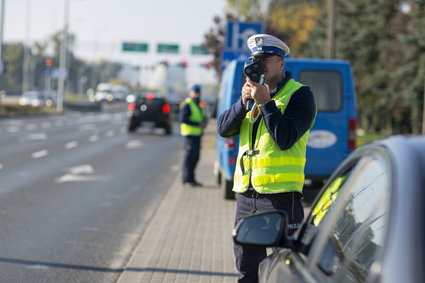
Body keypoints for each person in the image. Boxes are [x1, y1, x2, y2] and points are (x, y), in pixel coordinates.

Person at [217, 34, 317, 282]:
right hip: (246, 197)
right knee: (246, 268)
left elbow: (285, 138)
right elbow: (223, 129)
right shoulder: (249, 97)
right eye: (254, 59)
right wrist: (243, 102)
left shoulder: (301, 96)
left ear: (281, 64)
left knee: (286, 268)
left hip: (280, 198)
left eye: (265, 60)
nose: (258, 65)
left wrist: (266, 103)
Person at [179, 84, 208, 187]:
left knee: (195, 158)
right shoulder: (187, 104)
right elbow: (183, 119)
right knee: (189, 158)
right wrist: (197, 124)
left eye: (198, 92)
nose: (197, 94)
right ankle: (186, 179)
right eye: (195, 92)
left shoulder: (199, 104)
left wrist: (205, 121)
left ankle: (191, 179)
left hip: (197, 135)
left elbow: (202, 117)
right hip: (189, 135)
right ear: (190, 93)